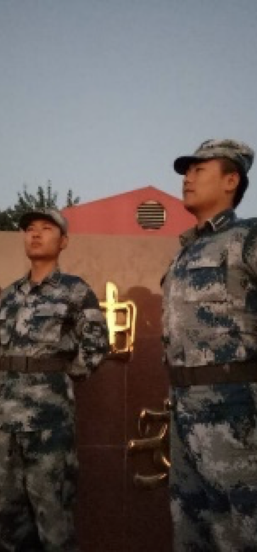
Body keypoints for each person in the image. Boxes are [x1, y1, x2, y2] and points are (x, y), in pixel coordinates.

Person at [0, 208, 109, 551]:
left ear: (64, 241)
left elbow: (97, 343)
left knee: (53, 517)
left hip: (49, 420)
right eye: (30, 228)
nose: (36, 234)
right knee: (7, 519)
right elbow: (3, 347)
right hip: (5, 419)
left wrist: (60, 377)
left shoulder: (75, 291)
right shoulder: (8, 295)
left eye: (46, 228)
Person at [161, 139, 257, 551]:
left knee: (240, 532)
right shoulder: (185, 252)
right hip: (184, 411)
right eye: (187, 170)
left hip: (235, 413)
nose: (188, 177)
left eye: (200, 169)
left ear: (231, 180)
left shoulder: (247, 237)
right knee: (191, 532)